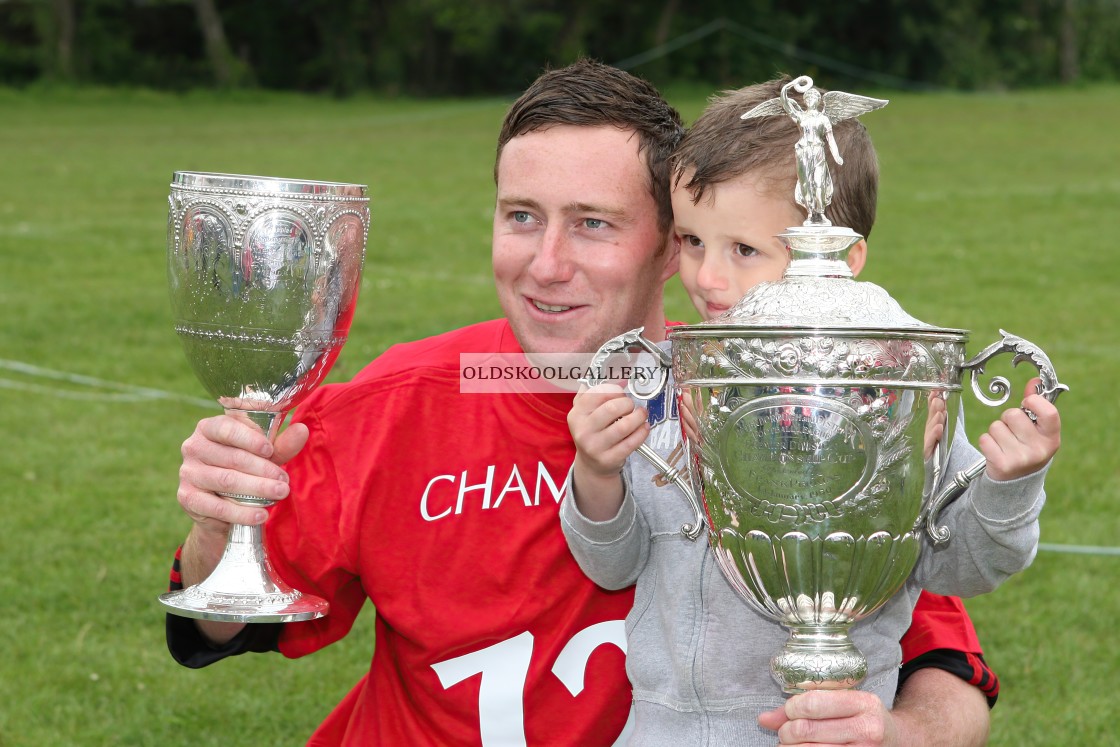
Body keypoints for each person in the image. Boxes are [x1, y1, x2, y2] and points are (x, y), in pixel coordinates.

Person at [169, 60, 1005, 746]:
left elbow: (950, 668)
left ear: (673, 247)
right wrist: (219, 524)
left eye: (595, 224)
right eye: (521, 216)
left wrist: (897, 733)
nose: (546, 262)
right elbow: (226, 627)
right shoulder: (401, 400)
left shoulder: (777, 407)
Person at [561, 78, 1062, 745]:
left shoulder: (895, 381)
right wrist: (595, 473)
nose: (708, 278)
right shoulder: (656, 378)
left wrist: (1008, 484)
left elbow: (962, 565)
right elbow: (611, 566)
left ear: (843, 258)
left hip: (837, 730)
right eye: (691, 240)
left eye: (744, 250)